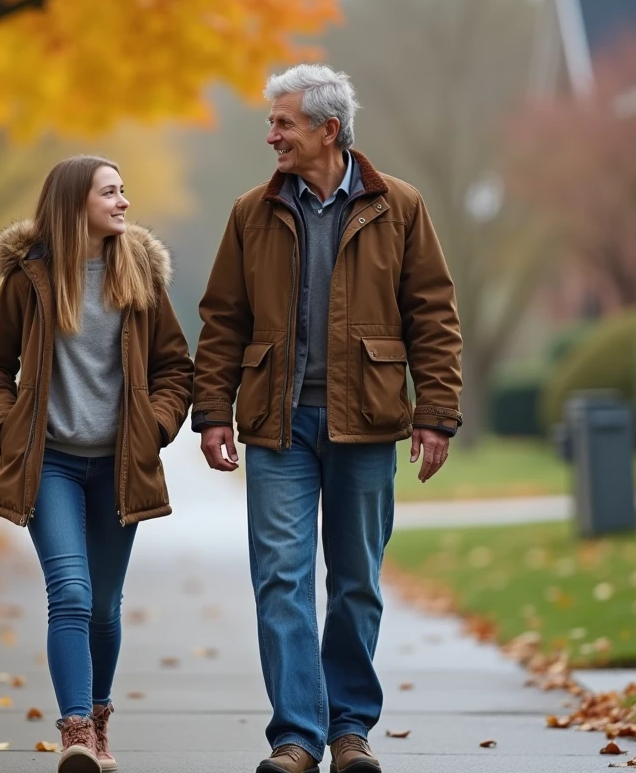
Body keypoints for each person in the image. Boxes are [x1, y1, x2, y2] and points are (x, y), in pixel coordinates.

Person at [192, 64, 463, 773]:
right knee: (280, 578)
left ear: (328, 130)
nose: (272, 135)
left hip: (367, 423)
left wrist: (434, 414)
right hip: (279, 426)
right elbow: (222, 318)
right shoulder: (252, 213)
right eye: (272, 122)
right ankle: (296, 737)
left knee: (355, 583)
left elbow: (433, 315)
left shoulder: (398, 207)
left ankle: (350, 731)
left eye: (283, 123)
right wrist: (212, 412)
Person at [0, 155, 194, 773]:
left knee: (104, 604)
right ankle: (75, 737)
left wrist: (156, 427)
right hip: (53, 466)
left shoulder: (140, 273)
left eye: (124, 191)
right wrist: (4, 427)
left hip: (120, 468)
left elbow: (176, 367)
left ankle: (98, 723)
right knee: (69, 591)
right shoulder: (30, 278)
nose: (124, 202)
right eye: (110, 193)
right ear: (75, 204)